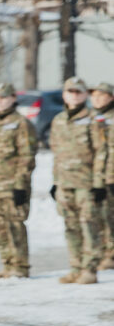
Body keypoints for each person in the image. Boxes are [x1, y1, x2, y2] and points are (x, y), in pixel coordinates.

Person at [49, 76, 108, 285]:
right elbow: (57, 153)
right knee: (70, 226)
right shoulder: (58, 120)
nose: (74, 95)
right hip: (65, 183)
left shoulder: (95, 119)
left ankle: (89, 269)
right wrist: (55, 182)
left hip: (87, 183)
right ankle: (75, 267)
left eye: (78, 92)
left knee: (89, 226)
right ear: (64, 95)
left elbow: (102, 152)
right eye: (70, 92)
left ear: (85, 95)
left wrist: (99, 183)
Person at [0, 82, 37, 278]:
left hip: (13, 186)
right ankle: (7, 264)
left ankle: (20, 267)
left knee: (15, 226)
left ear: (13, 98)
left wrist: (20, 185)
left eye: (4, 97)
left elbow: (27, 156)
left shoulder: (21, 123)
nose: (0, 101)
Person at [91, 82, 114, 270]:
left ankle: (111, 255)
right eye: (94, 95)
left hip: (110, 176)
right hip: (94, 176)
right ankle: (104, 252)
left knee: (109, 216)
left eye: (101, 95)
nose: (96, 99)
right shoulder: (93, 119)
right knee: (100, 216)